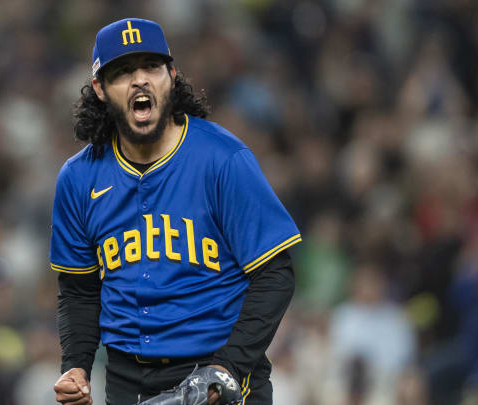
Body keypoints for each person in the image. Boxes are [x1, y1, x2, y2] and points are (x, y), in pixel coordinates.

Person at [51, 18, 301, 405]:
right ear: (100, 88)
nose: (139, 81)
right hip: (126, 379)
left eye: (150, 66)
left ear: (171, 74)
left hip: (219, 372)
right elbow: (79, 290)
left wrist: (227, 367)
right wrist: (77, 366)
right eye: (122, 72)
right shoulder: (78, 177)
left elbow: (275, 275)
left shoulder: (223, 159)